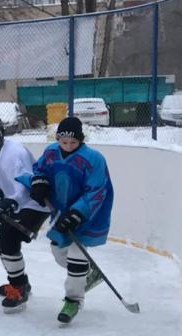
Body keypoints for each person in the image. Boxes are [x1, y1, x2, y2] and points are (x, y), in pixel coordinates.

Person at [18, 116, 112, 324]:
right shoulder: (51, 152)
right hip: (61, 211)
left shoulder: (94, 158)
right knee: (60, 254)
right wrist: (39, 182)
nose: (68, 146)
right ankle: (89, 273)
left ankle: (74, 300)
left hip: (88, 215)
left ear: (81, 139)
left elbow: (97, 190)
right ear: (58, 138)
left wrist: (78, 213)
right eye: (64, 141)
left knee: (77, 257)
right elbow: (40, 169)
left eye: (73, 142)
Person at [0, 114, 49, 313]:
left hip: (36, 204)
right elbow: (8, 187)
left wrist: (9, 203)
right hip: (21, 204)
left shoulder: (14, 153)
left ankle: (19, 288)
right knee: (2, 245)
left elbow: (26, 186)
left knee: (8, 241)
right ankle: (21, 282)